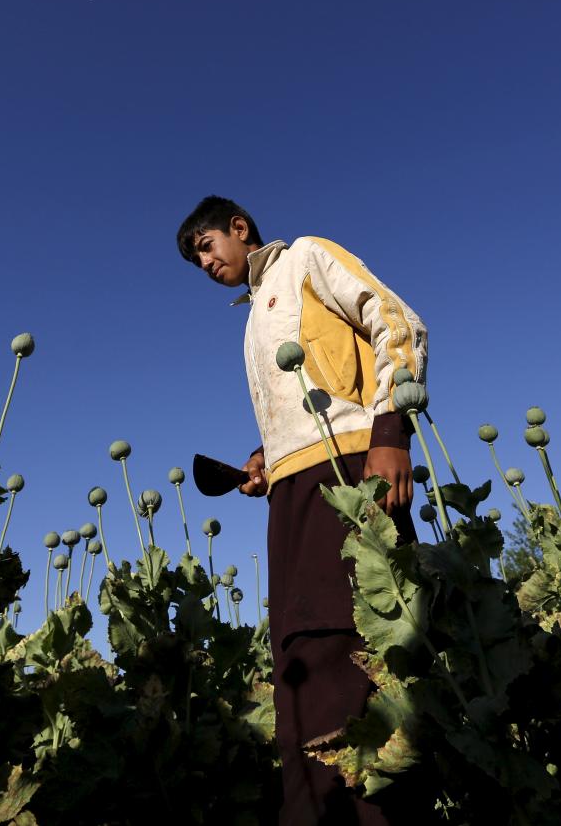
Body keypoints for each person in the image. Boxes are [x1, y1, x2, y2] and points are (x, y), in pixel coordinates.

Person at [176, 195, 427, 825]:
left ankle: (372, 806)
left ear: (239, 227)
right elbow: (307, 390)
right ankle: (314, 809)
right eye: (195, 259)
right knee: (295, 651)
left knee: (348, 641)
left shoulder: (306, 259)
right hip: (292, 490)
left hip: (350, 471)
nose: (204, 262)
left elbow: (395, 320)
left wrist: (390, 435)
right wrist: (267, 459)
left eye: (207, 245)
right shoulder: (252, 317)